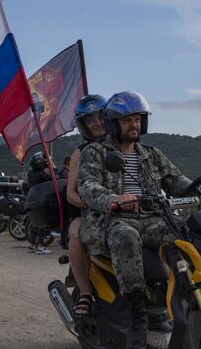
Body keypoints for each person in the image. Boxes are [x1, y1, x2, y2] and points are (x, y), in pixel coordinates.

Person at [77, 91, 201, 348]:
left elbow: (176, 182)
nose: (134, 125)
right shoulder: (96, 152)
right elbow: (87, 186)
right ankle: (137, 316)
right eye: (127, 120)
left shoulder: (151, 154)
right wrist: (115, 198)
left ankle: (184, 293)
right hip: (109, 220)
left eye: (137, 119)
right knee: (126, 236)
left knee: (183, 233)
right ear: (114, 123)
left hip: (149, 217)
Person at [65, 94, 108, 317]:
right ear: (83, 125)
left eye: (100, 116)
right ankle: (85, 293)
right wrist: (96, 204)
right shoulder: (80, 152)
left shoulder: (123, 146)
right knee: (75, 233)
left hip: (126, 209)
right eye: (90, 120)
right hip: (89, 211)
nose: (97, 122)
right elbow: (71, 193)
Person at [26, 152, 56, 255]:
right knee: (44, 224)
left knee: (35, 223)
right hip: (43, 200)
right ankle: (41, 246)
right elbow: (54, 180)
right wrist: (52, 166)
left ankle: (33, 245)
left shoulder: (31, 174)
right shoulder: (42, 175)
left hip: (33, 200)